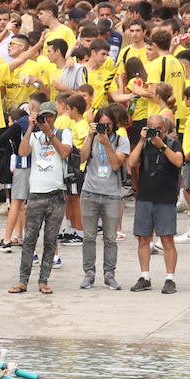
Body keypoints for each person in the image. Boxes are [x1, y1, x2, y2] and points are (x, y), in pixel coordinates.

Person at [10, 101, 71, 294]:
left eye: (50, 116)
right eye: (44, 116)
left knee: (50, 240)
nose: (47, 119)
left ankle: (43, 281)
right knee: (29, 239)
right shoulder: (34, 135)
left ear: (55, 116)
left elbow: (64, 152)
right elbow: (22, 152)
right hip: (36, 192)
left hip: (57, 193)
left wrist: (49, 132)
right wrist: (30, 127)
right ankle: (23, 281)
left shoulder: (63, 133)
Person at [127, 114, 184, 294]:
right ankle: (145, 276)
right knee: (143, 238)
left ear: (165, 129)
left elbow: (178, 161)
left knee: (167, 239)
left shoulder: (173, 143)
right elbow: (131, 162)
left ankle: (170, 278)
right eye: (152, 127)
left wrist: (162, 145)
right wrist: (142, 140)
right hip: (145, 196)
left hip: (166, 198)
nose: (155, 131)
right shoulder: (144, 144)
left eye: (158, 128)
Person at [79, 111, 130, 290]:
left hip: (111, 194)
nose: (105, 128)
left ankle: (110, 275)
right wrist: (90, 135)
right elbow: (82, 158)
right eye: (101, 124)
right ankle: (89, 274)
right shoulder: (93, 138)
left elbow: (116, 164)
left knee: (110, 238)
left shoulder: (121, 140)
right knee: (89, 237)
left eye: (108, 124)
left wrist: (107, 142)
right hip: (90, 191)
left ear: (114, 124)